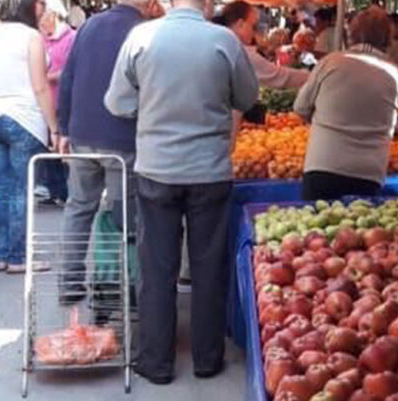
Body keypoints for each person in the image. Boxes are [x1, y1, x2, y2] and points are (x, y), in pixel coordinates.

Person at [105, 0, 258, 383]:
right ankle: (208, 359)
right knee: (208, 266)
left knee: (157, 268)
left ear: (167, 2)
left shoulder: (141, 37)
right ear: (206, 3)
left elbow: (117, 102)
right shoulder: (223, 40)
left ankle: (156, 361)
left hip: (157, 168)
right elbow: (248, 97)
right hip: (210, 170)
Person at [56, 0, 161, 304]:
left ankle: (70, 282)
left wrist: (63, 128)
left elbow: (68, 78)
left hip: (83, 133)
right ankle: (120, 286)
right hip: (121, 137)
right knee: (123, 216)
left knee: (79, 206)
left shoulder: (89, 26)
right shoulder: (144, 32)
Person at [294, 7, 398, 201]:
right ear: (388, 38)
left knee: (315, 227)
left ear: (352, 34)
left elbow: (300, 107)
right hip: (367, 172)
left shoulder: (330, 63)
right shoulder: (394, 73)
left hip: (323, 165)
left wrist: (324, 120)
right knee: (359, 228)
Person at [0, 0, 58, 274]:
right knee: (21, 190)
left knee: (2, 189)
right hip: (24, 117)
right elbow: (40, 86)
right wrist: (54, 126)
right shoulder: (30, 37)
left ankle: (4, 254)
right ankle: (18, 257)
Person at [36, 0, 75, 206]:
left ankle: (67, 190)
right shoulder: (39, 39)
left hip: (62, 99)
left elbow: (69, 70)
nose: (40, 21)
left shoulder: (71, 38)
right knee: (48, 146)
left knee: (63, 146)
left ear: (53, 15)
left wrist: (46, 77)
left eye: (43, 16)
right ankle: (53, 189)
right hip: (44, 101)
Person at [218, 1, 308, 88]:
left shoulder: (220, 43)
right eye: (254, 26)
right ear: (240, 24)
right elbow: (278, 76)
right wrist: (313, 77)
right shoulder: (240, 53)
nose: (255, 32)